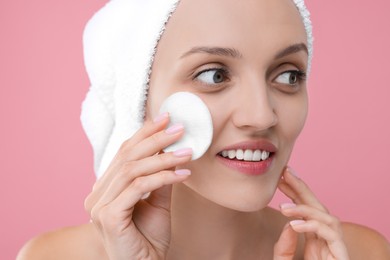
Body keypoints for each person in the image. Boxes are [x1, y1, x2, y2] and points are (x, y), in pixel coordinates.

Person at [17, 0, 390, 259]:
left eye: (288, 75)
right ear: (138, 95)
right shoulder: (51, 257)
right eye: (214, 75)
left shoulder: (359, 253)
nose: (261, 116)